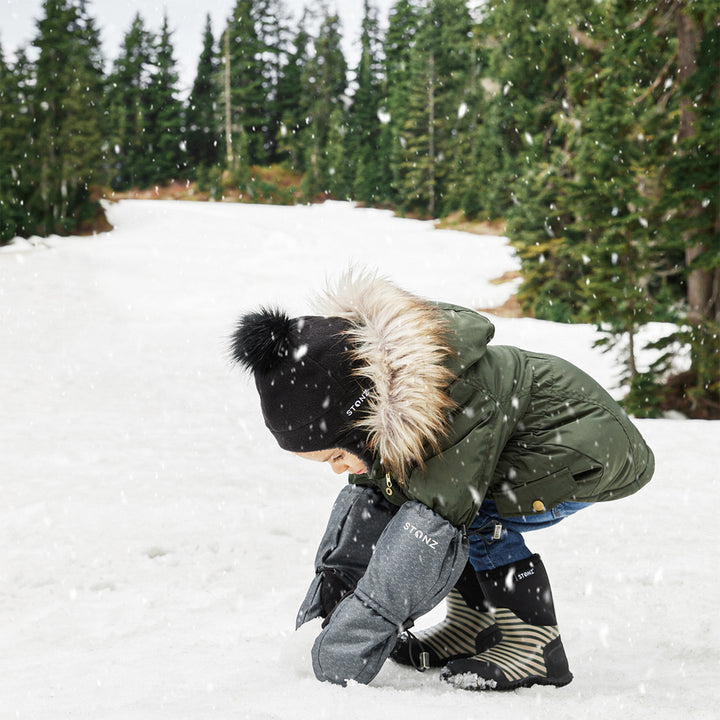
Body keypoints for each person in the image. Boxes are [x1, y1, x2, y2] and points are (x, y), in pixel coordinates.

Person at [230, 270, 654, 691]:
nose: (338, 469)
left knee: (465, 514)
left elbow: (430, 527)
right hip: (534, 444)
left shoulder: (449, 401)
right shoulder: (387, 403)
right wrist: (331, 601)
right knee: (435, 503)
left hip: (583, 447)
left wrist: (356, 637)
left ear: (362, 418)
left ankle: (535, 646)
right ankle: (472, 624)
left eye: (338, 455)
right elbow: (372, 507)